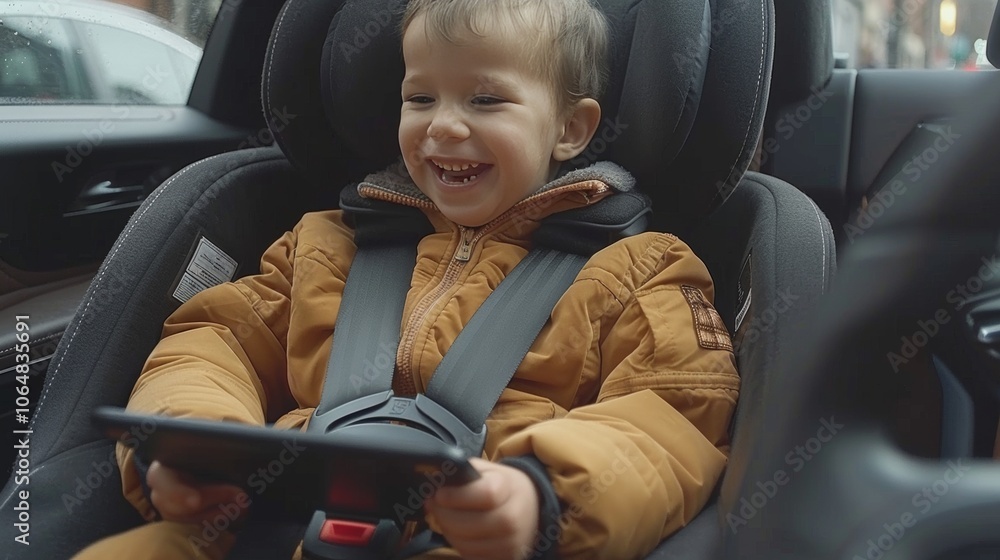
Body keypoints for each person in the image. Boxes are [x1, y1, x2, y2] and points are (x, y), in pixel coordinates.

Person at [74, 0, 740, 558]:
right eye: (420, 96)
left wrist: (542, 494)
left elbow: (671, 419)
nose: (443, 123)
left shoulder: (639, 269)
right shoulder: (326, 243)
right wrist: (196, 440)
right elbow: (216, 340)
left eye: (485, 99)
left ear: (570, 128)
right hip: (273, 517)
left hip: (474, 536)